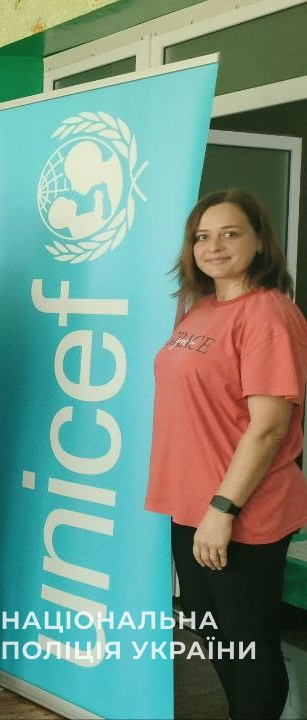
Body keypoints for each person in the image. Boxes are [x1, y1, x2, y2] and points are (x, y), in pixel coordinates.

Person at [146, 189, 307, 720]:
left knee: (248, 640)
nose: (213, 246)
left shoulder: (268, 314)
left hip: (239, 509)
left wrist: (222, 510)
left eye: (230, 234)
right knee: (213, 629)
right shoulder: (202, 308)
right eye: (202, 237)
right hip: (191, 504)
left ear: (260, 242)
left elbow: (268, 428)